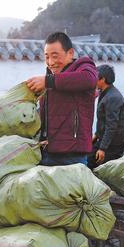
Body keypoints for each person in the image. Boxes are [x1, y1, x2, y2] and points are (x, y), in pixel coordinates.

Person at [26, 32, 97, 166]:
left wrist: (48, 81)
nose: (50, 62)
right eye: (47, 57)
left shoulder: (84, 67)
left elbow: (89, 79)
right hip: (47, 153)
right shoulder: (51, 80)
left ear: (70, 53)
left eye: (55, 56)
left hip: (72, 156)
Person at [88, 64, 124, 169]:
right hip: (104, 140)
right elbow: (102, 121)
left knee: (98, 167)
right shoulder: (105, 93)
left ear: (103, 79)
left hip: (113, 144)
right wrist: (96, 135)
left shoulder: (112, 97)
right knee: (88, 159)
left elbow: (111, 125)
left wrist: (102, 148)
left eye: (95, 77)